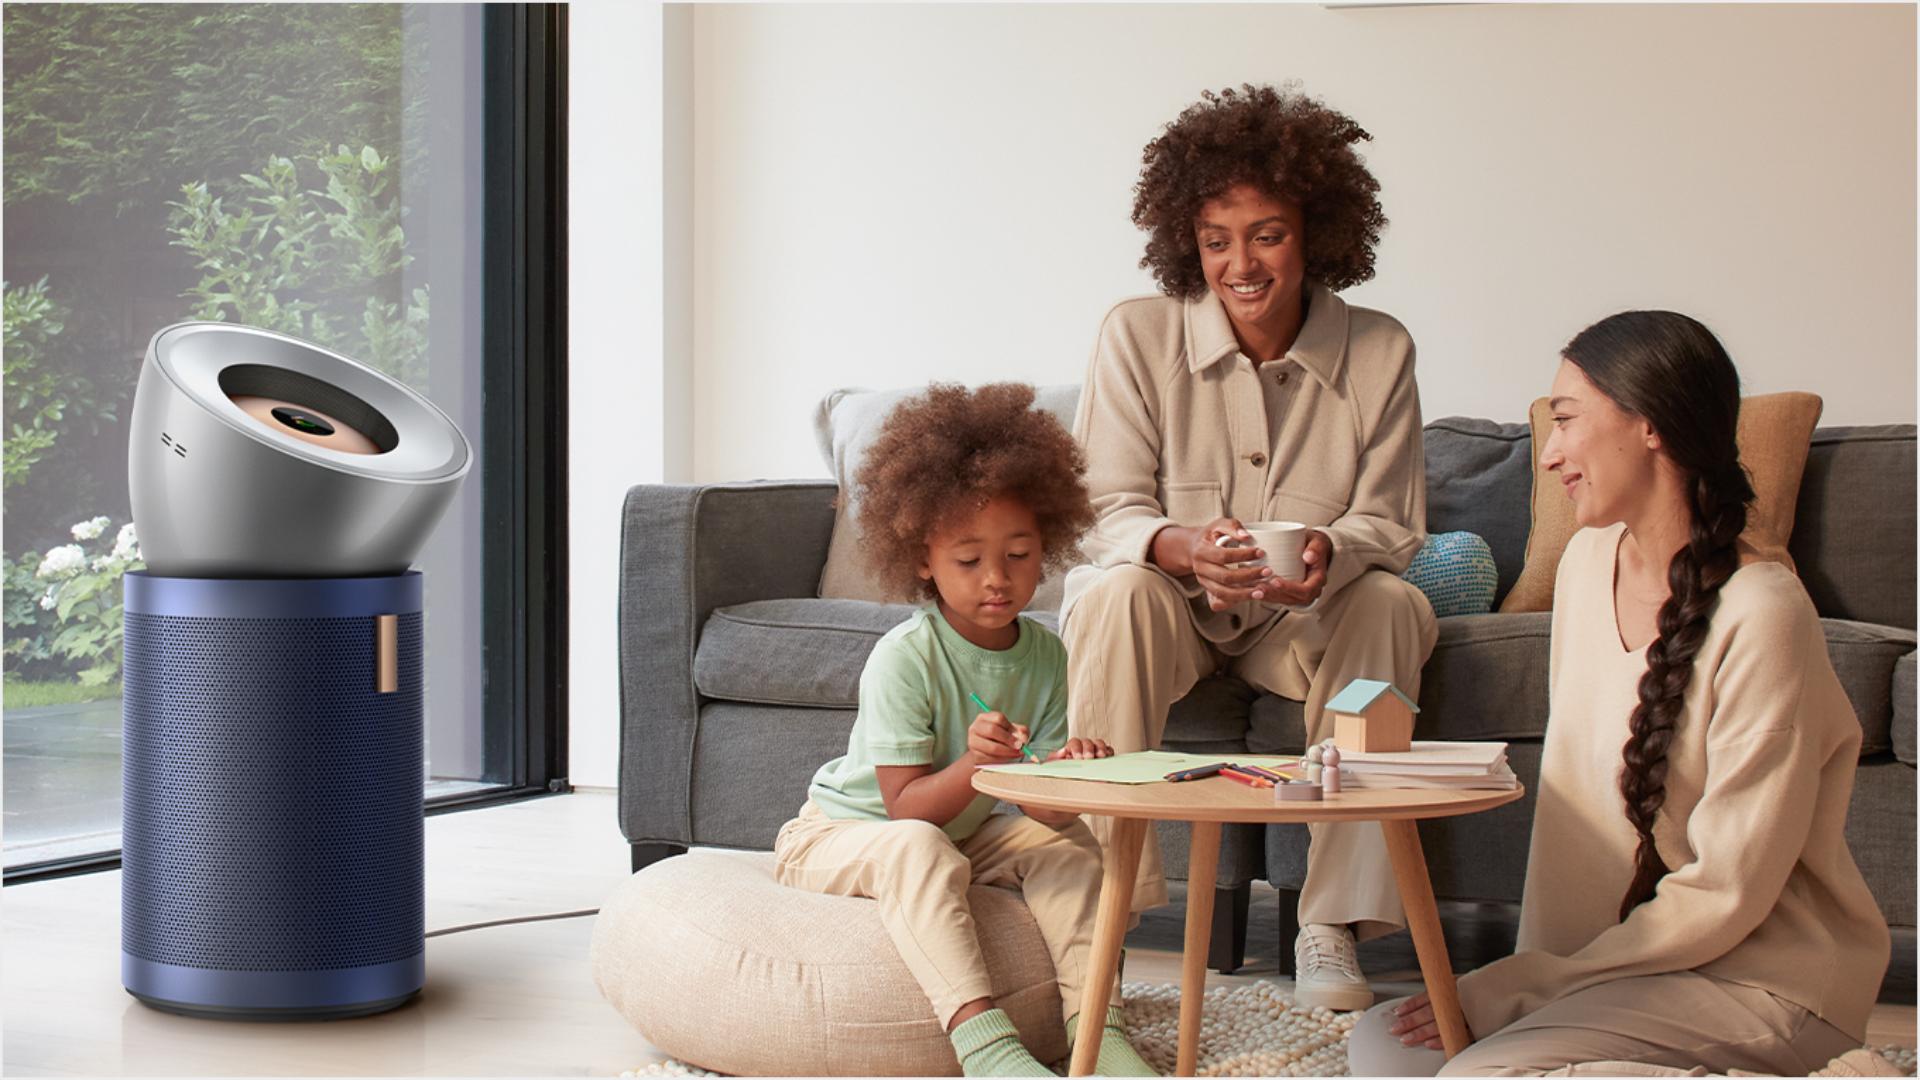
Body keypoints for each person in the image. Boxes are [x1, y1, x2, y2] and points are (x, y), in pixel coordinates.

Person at [1349, 311, 1891, 1076]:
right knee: (1384, 1047)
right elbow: (1576, 830)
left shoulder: (1764, 613)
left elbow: (1728, 894)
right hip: (1626, 974)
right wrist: (1524, 986)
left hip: (1762, 982)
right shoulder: (1584, 563)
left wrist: (1525, 990)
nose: (1550, 454)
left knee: (1478, 1072)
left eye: (1566, 420)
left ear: (1651, 425)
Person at [1062, 82, 1437, 1010]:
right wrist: (1177, 546)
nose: (1242, 264)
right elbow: (1100, 507)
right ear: (1186, 242)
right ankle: (1098, 918)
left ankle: (1330, 923)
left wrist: (1327, 554)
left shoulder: (1381, 350)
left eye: (1266, 234)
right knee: (1116, 594)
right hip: (1170, 612)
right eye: (1216, 240)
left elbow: (1390, 519)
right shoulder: (1135, 335)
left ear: (1316, 233)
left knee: (1393, 602)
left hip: (1297, 628)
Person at [774, 383, 1160, 1078]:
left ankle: (1099, 1032)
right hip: (842, 835)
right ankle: (985, 1046)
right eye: (968, 559)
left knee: (1071, 848)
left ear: (1047, 544)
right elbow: (905, 809)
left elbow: (1042, 808)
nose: (996, 579)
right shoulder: (906, 657)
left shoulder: (1046, 655)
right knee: (917, 845)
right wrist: (976, 767)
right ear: (922, 558)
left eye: (1018, 555)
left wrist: (1069, 771)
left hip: (960, 834)